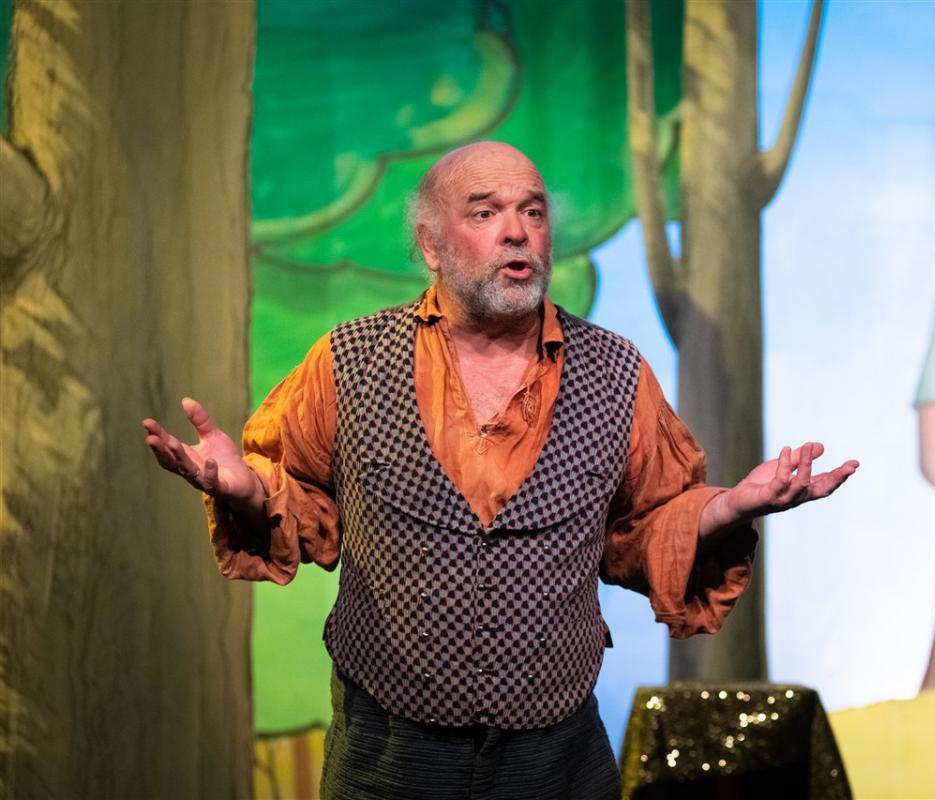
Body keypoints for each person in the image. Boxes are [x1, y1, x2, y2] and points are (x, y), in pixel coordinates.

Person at [143, 141, 859, 799]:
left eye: (533, 212)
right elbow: (298, 501)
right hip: (388, 756)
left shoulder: (615, 372)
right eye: (485, 213)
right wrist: (249, 490)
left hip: (555, 759)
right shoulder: (349, 360)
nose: (517, 232)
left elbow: (646, 526)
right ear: (430, 244)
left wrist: (730, 506)